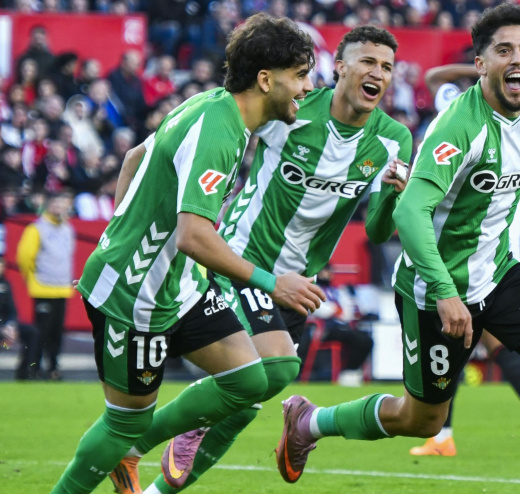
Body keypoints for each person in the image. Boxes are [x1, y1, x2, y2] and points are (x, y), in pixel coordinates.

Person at [277, 6, 520, 493]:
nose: (517, 59)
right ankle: (310, 422)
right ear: (480, 64)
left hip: (499, 274)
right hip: (431, 288)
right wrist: (443, 290)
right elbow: (410, 213)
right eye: (503, 51)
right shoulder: (457, 127)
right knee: (424, 421)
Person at [51, 13, 324, 494]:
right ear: (265, 80)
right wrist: (271, 282)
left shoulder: (212, 107)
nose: (308, 86)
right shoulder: (220, 132)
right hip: (134, 298)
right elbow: (193, 237)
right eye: (301, 75)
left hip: (182, 287)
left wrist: (122, 228)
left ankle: (134, 450)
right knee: (122, 422)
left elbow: (136, 156)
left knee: (249, 381)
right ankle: (112, 456)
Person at [140, 26, 411, 494]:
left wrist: (392, 197)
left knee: (245, 402)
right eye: (368, 61)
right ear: (341, 67)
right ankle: (143, 439)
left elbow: (377, 231)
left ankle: (157, 488)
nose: (378, 73)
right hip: (243, 261)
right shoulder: (293, 107)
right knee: (273, 369)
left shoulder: (392, 139)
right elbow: (229, 119)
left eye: (387, 66)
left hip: (298, 285)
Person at [407, 63, 520, 459]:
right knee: (491, 344)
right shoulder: (502, 119)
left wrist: (482, 67)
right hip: (505, 248)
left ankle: (444, 434)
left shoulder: (455, 110)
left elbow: (433, 78)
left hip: (470, 252)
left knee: (456, 342)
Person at [15, 191, 75, 381]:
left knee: (56, 334)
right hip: (43, 288)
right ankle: (32, 367)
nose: (59, 207)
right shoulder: (36, 228)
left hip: (62, 289)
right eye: (55, 203)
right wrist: (33, 280)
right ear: (47, 205)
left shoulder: (68, 229)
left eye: (62, 202)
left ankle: (53, 368)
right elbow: (24, 257)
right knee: (40, 333)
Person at [0, 257, 38, 380]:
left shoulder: (5, 284)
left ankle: (24, 372)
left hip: (5, 326)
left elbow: (12, 310)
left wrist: (10, 326)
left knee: (32, 332)